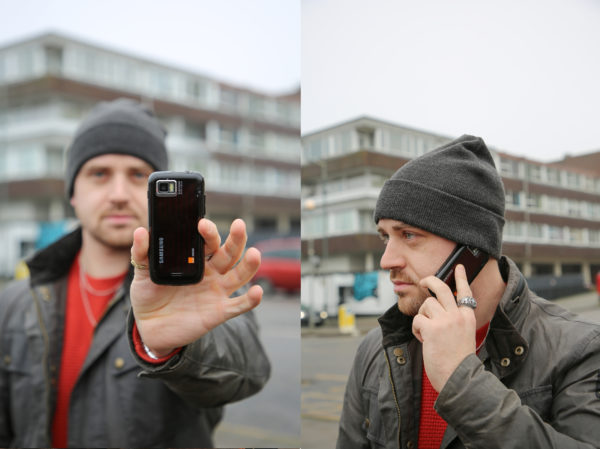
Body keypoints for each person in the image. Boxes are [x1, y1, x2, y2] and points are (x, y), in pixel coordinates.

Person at [0, 98, 270, 448]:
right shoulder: (14, 302)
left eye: (138, 175)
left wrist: (177, 348)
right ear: (73, 193)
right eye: (99, 174)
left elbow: (247, 372)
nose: (118, 194)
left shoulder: (198, 284)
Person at [336, 135, 600, 449]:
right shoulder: (375, 348)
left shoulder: (579, 350)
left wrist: (461, 380)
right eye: (385, 237)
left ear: (473, 249)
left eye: (409, 234)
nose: (386, 260)